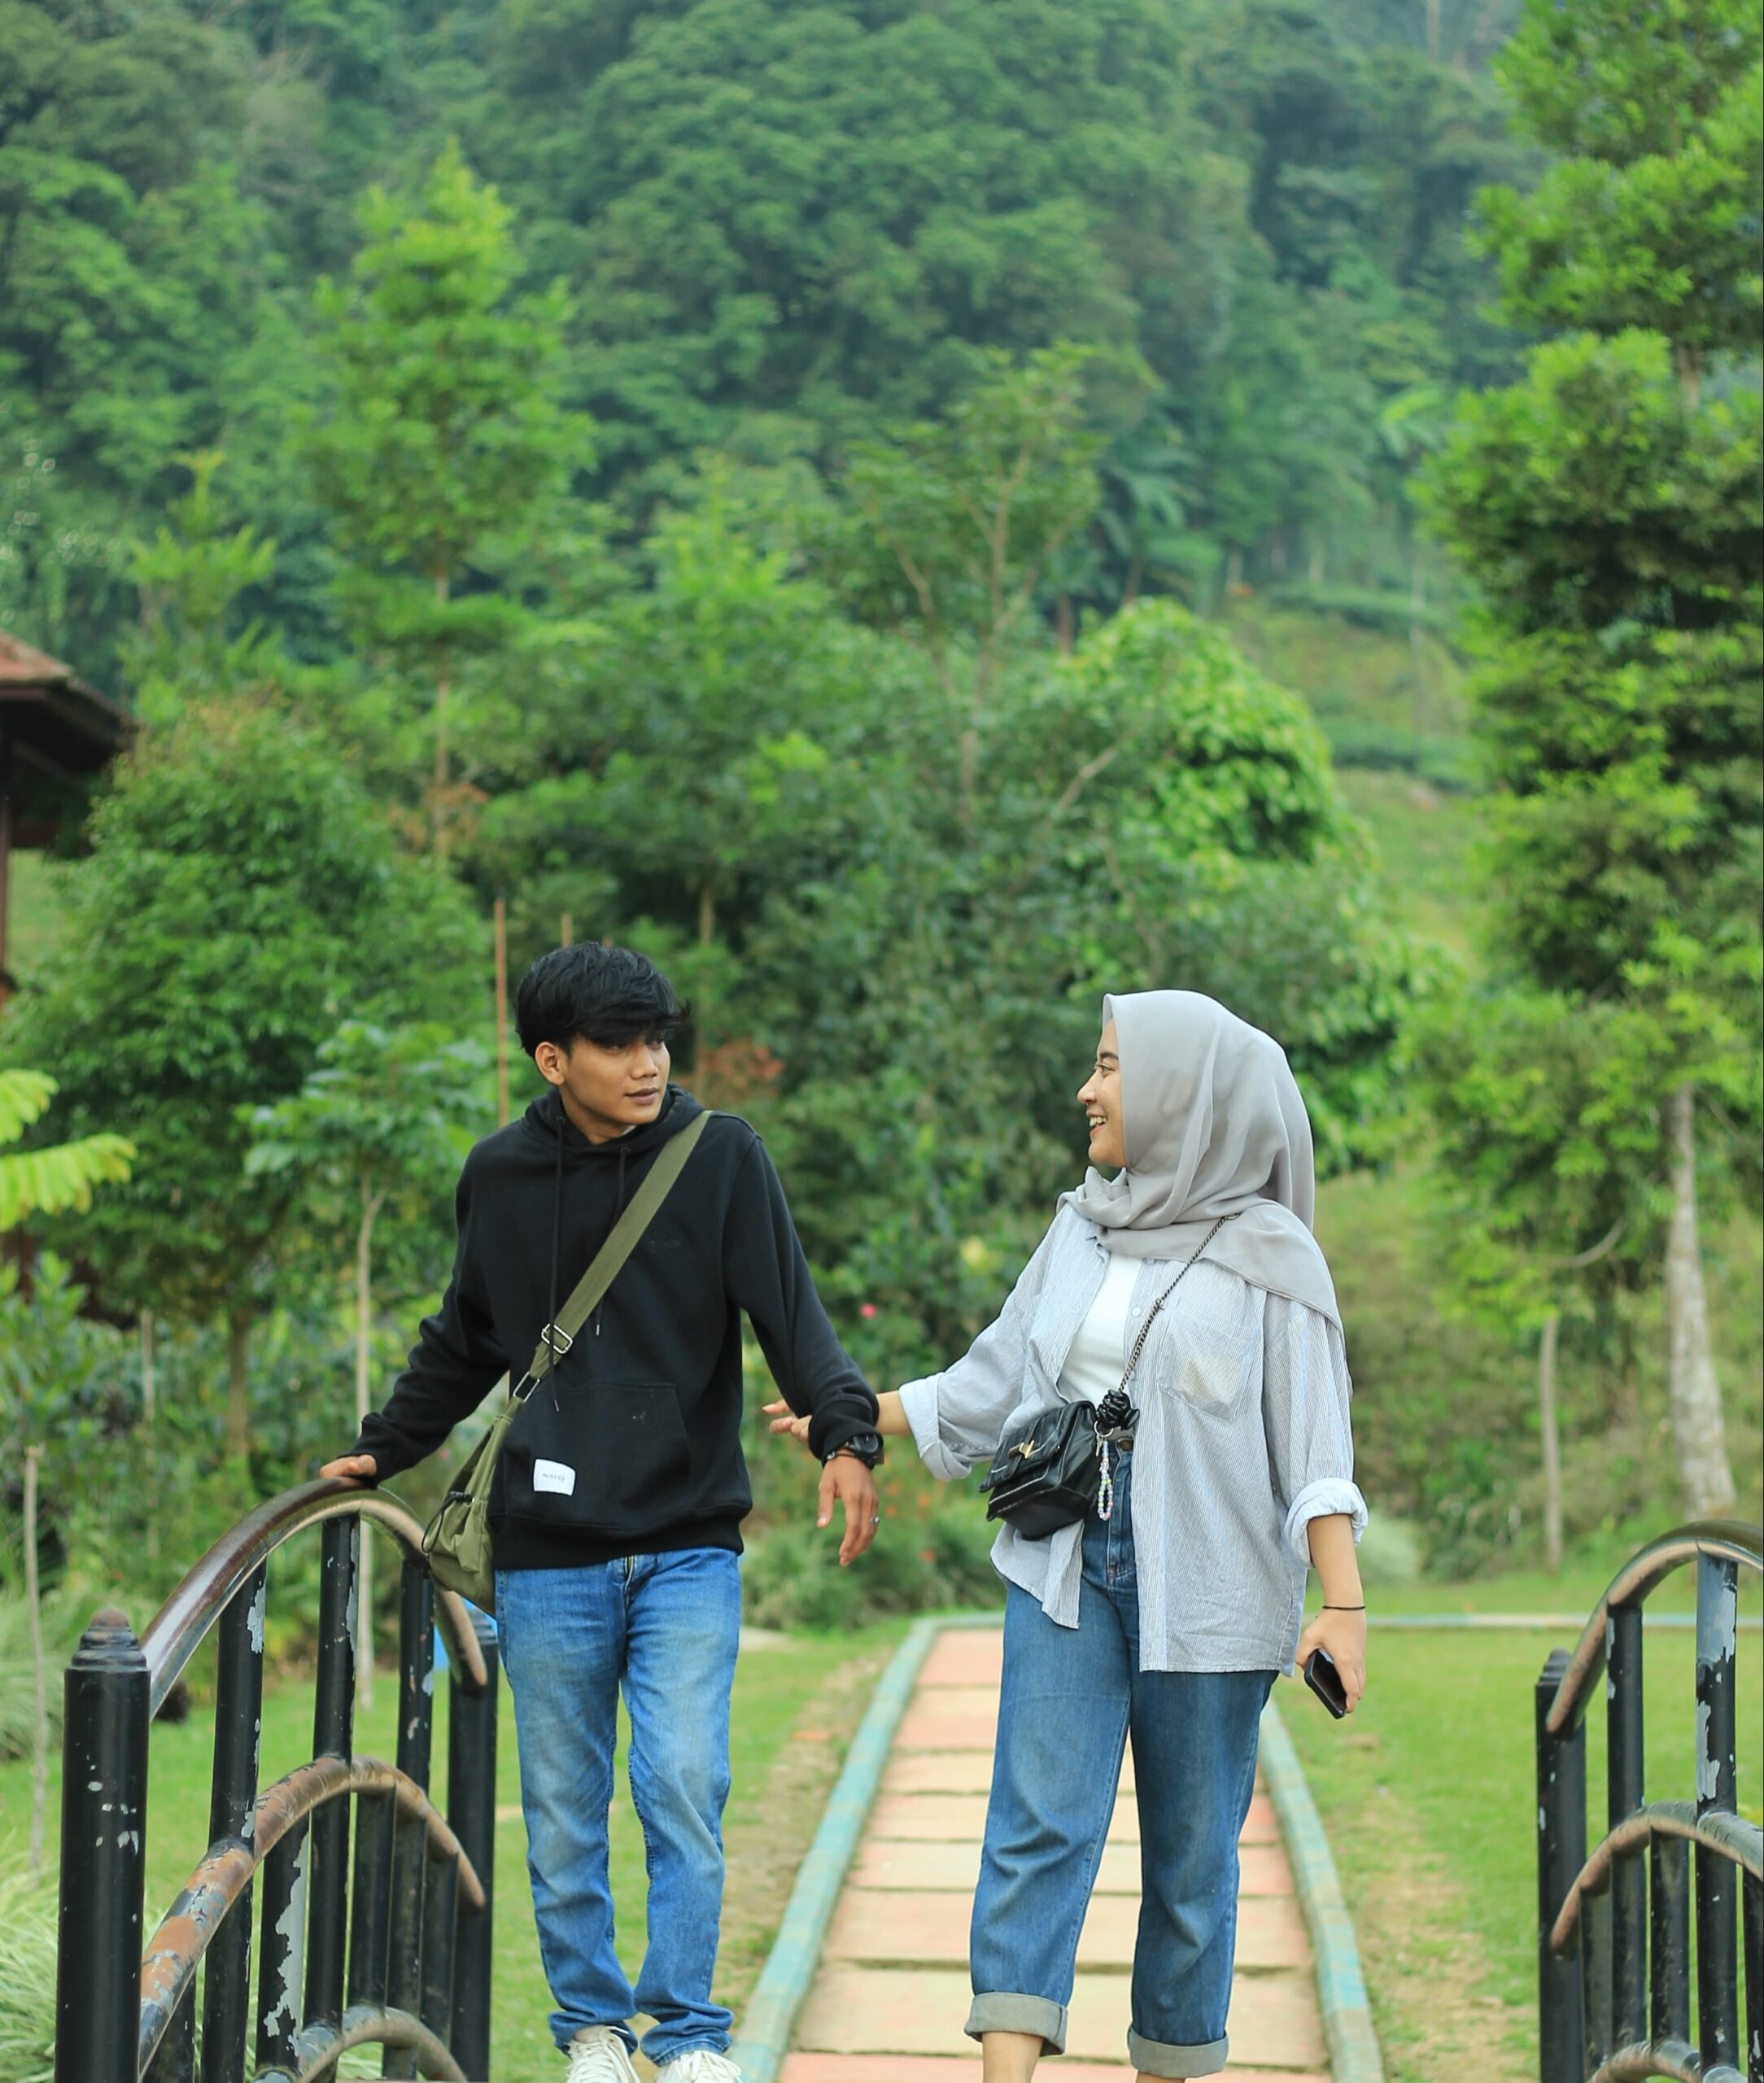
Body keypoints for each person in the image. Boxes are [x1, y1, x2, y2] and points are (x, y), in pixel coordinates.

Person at [769, 989, 1368, 2082]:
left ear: (1183, 1091)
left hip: (1215, 1588)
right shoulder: (1082, 1228)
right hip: (1063, 1563)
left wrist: (1344, 1604)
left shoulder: (1272, 1258)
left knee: (1192, 1863)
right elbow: (994, 1378)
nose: (1087, 1090)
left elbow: (1316, 1451)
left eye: (1109, 1067)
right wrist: (852, 1415)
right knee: (1036, 1827)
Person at [323, 942, 885, 2083]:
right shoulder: (501, 1175)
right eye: (618, 1045)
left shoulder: (720, 1157)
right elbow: (466, 1335)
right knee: (564, 1807)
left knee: (681, 1781)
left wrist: (847, 1434)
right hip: (547, 1553)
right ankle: (592, 2030)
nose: (647, 1064)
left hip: (687, 1540)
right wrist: (387, 1446)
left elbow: (792, 1314)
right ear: (553, 1059)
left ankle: (687, 2036)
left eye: (656, 1040)